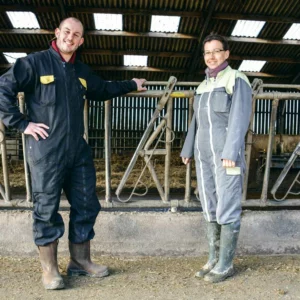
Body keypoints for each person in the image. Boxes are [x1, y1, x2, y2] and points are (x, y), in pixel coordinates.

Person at [0, 17, 146, 290]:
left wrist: (130, 83)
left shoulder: (80, 69)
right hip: (46, 149)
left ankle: (80, 261)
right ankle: (50, 270)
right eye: (66, 31)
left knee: (86, 202)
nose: (70, 37)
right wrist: (21, 123)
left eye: (76, 34)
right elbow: (3, 87)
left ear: (80, 41)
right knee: (46, 207)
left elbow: (101, 89)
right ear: (57, 33)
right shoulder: (34, 63)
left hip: (76, 150)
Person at [180, 33, 252, 283]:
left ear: (226, 54)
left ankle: (226, 263)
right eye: (207, 52)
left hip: (226, 157)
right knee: (209, 203)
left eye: (216, 51)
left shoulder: (237, 79)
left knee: (227, 204)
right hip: (204, 157)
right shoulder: (203, 86)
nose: (211, 56)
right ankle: (213, 258)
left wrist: (232, 152)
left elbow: (239, 118)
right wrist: (188, 149)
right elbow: (196, 122)